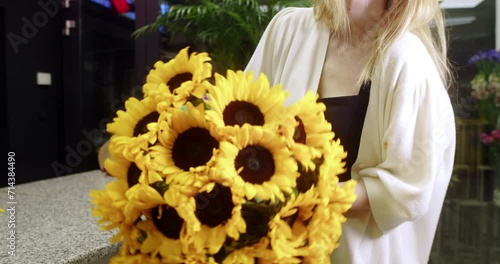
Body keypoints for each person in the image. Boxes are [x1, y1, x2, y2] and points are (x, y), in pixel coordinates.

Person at [245, 0, 456, 263]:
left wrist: (306, 199)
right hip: (270, 249)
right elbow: (238, 125)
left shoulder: (407, 59)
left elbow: (407, 188)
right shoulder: (287, 31)